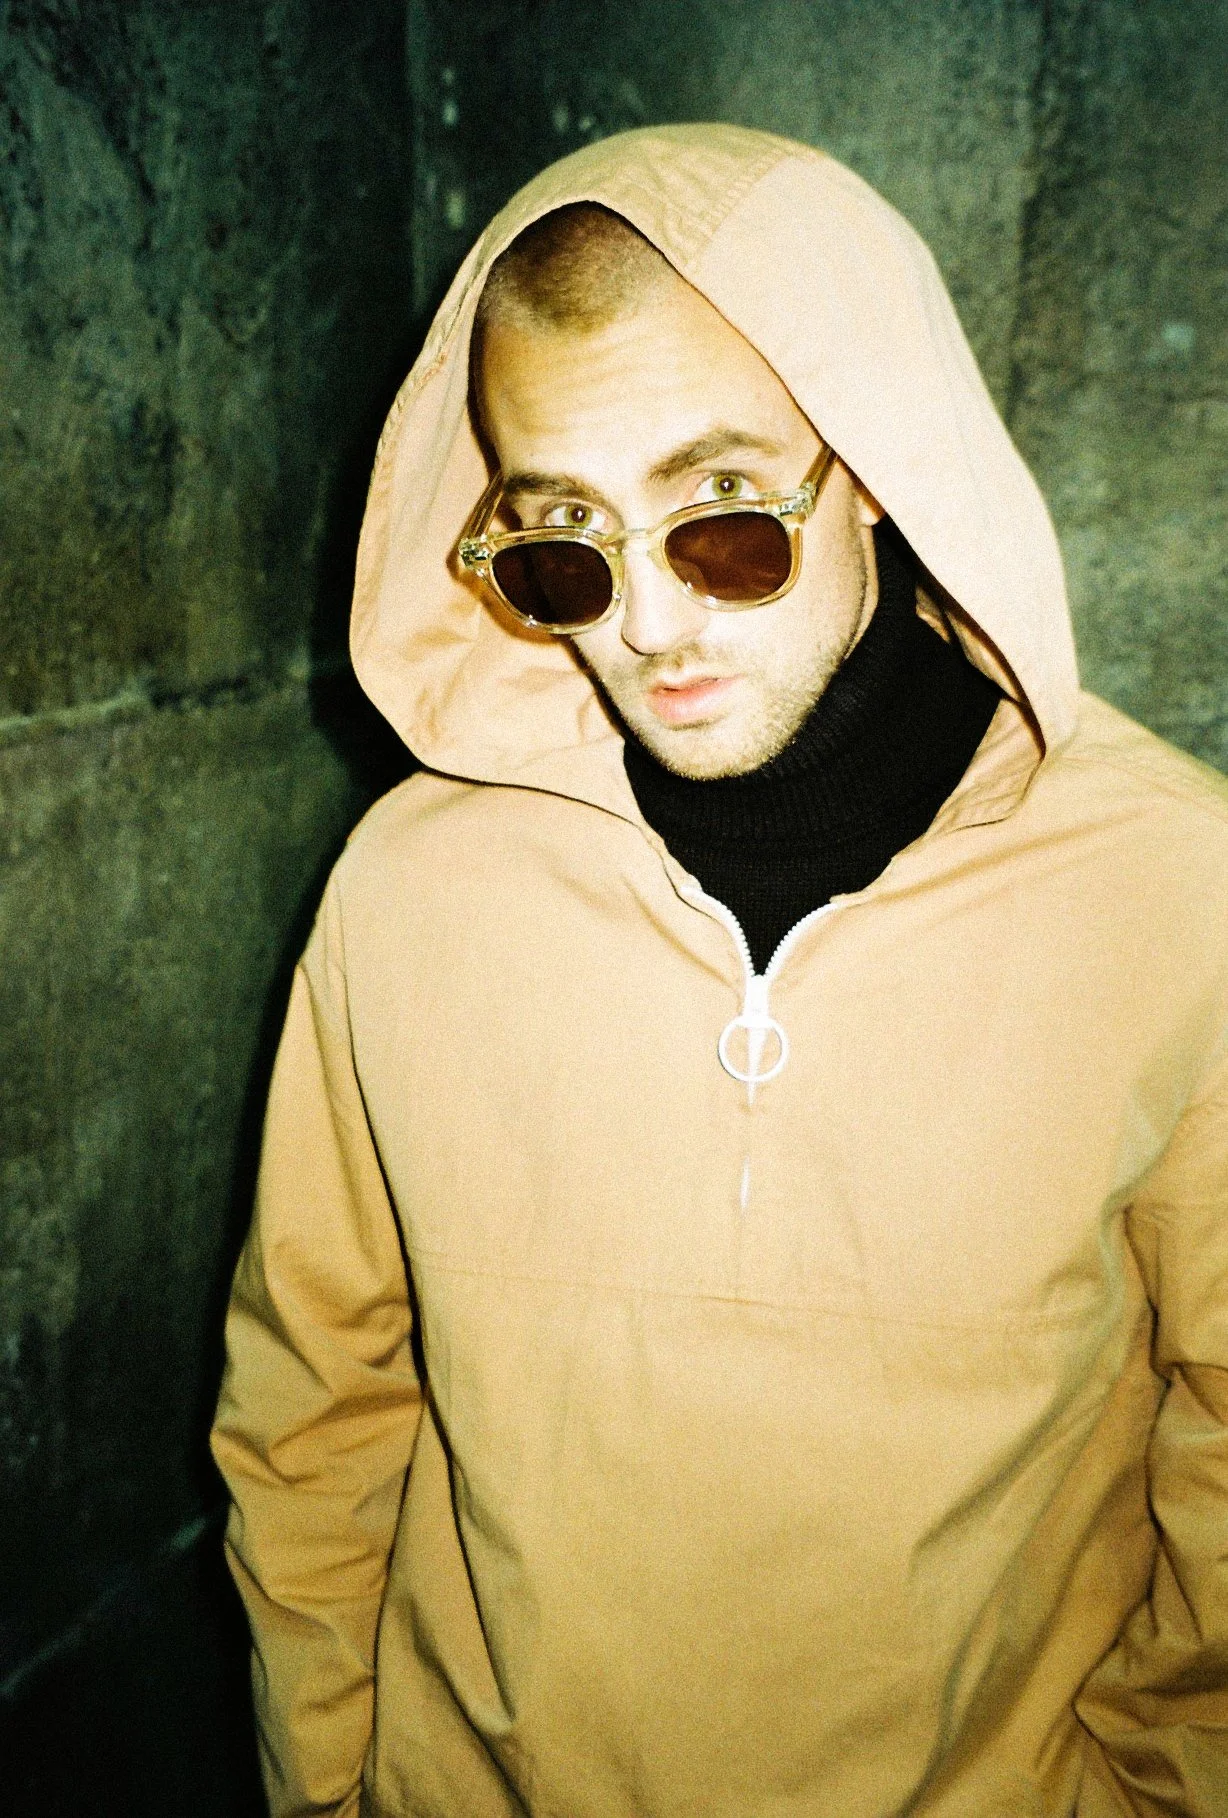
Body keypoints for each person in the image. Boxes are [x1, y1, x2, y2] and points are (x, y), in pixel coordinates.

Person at [211, 124, 1228, 1817]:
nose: (645, 626)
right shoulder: (406, 893)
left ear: (879, 462)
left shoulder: (1179, 896)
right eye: (561, 544)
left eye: (724, 522)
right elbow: (314, 1408)